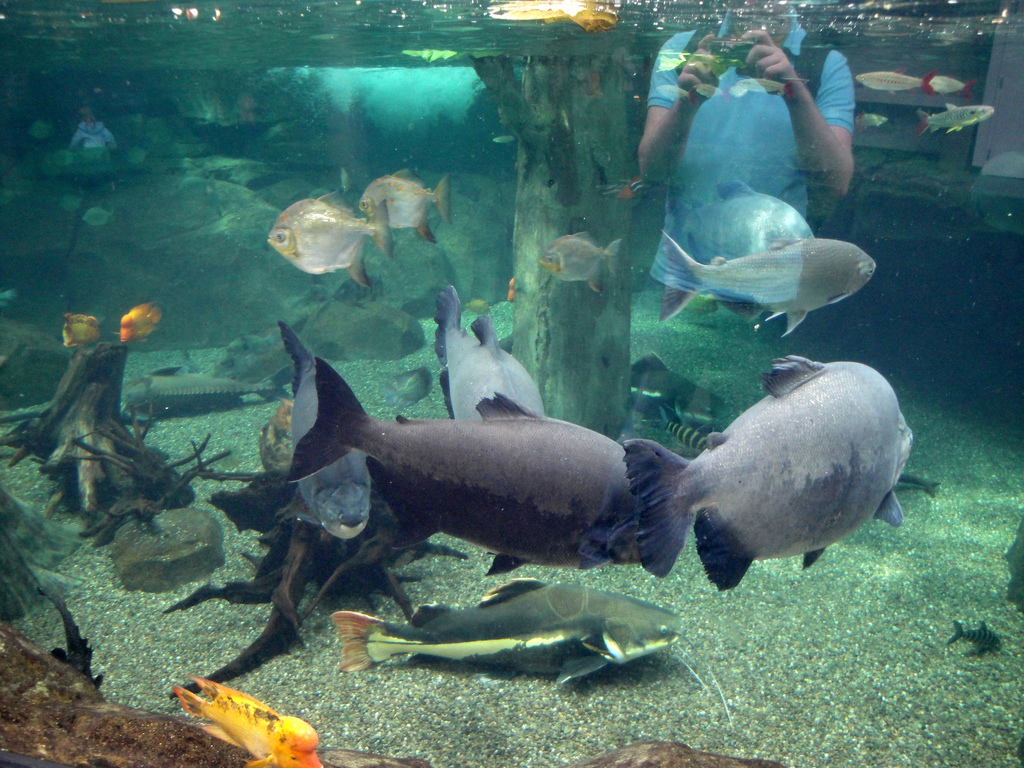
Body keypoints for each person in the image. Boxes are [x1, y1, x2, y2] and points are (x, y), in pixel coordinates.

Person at [638, 3, 855, 273]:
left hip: (773, 274)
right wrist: (688, 101)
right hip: (685, 270)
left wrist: (792, 89)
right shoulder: (681, 49)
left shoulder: (824, 62)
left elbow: (836, 184)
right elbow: (651, 169)